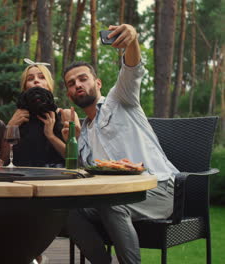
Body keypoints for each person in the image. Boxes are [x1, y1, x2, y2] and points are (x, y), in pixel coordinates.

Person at [61, 24, 178, 264]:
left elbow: (132, 70)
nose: (77, 85)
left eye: (83, 79)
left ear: (98, 83)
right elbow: (85, 175)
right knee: (66, 210)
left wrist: (132, 40)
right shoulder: (84, 132)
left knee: (112, 205)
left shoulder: (120, 99)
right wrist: (67, 138)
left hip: (158, 188)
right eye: (71, 84)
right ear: (69, 94)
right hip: (115, 197)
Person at [8, 59, 77, 168]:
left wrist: (51, 136)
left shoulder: (66, 115)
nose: (36, 81)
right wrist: (10, 127)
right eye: (30, 79)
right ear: (25, 87)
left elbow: (77, 159)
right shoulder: (18, 117)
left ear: (50, 85)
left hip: (57, 178)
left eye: (41, 77)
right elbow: (3, 158)